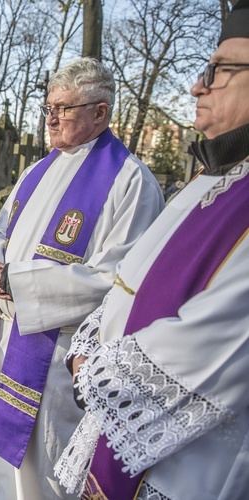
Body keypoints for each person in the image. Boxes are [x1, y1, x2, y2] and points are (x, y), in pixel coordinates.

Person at [54, 3, 249, 498]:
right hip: (110, 405)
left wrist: (95, 372)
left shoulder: (136, 179)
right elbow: (128, 282)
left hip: (186, 459)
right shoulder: (208, 180)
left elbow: (217, 342)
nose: (196, 86)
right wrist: (87, 347)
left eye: (218, 71)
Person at [0, 58, 164, 499]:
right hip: (6, 340)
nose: (51, 118)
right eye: (49, 107)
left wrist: (17, 280)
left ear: (101, 113)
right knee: (3, 470)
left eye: (64, 109)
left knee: (47, 475)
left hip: (58, 357)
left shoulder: (130, 182)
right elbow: (1, 228)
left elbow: (116, 281)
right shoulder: (38, 170)